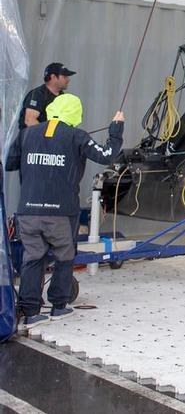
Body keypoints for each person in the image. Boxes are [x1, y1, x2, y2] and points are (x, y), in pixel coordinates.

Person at [5, 94, 123, 328]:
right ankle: (59, 306)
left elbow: (9, 163)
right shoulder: (77, 136)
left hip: (28, 211)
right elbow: (107, 155)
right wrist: (116, 128)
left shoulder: (27, 133)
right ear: (75, 114)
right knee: (64, 256)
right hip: (60, 212)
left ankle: (29, 313)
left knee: (32, 259)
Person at [19, 63, 75, 130]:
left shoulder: (62, 97)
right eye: (64, 77)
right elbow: (30, 120)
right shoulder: (37, 94)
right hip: (34, 139)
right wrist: (48, 137)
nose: (68, 80)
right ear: (53, 77)